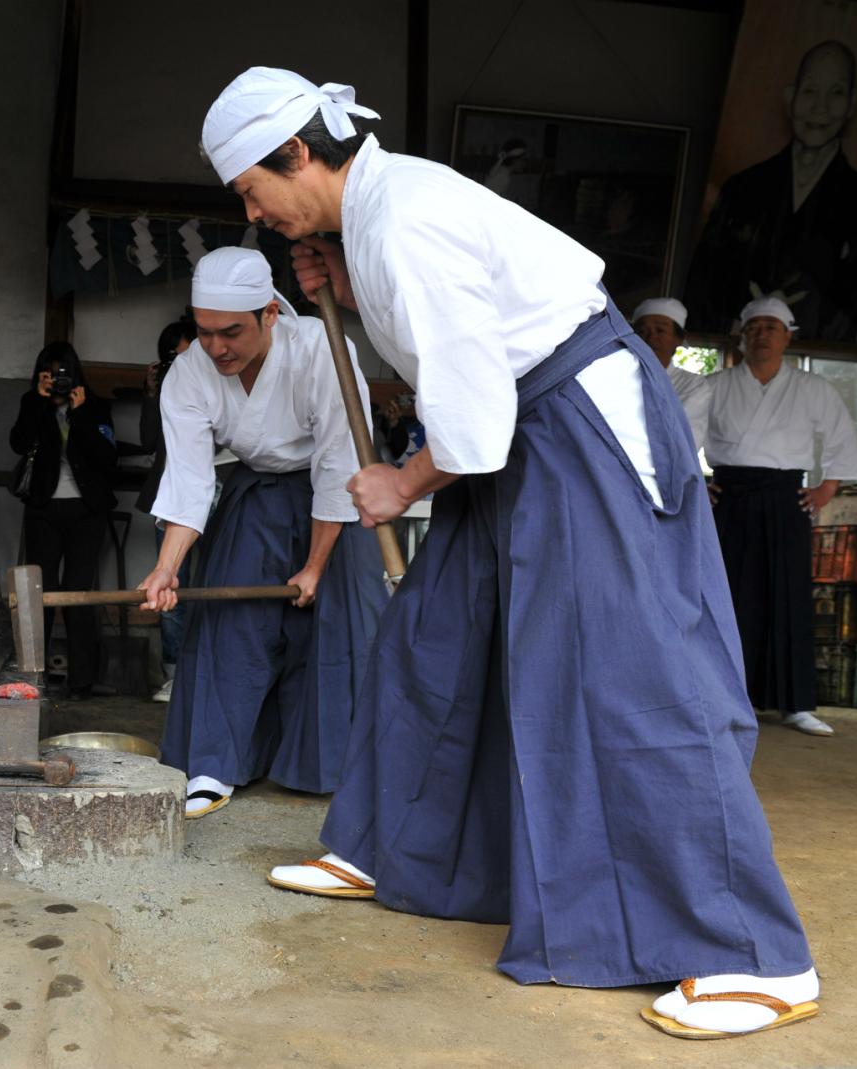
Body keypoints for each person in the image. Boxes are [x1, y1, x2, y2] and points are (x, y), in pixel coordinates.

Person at [201, 66, 820, 1038]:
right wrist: (340, 279)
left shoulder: (397, 215)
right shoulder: (369, 215)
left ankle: (753, 951)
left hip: (576, 423)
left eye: (252, 189)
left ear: (296, 155)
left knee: (628, 675)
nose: (252, 211)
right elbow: (453, 337)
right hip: (520, 424)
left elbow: (474, 421)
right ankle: (392, 845)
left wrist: (400, 484)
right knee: (435, 635)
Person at [136, 246, 389, 818]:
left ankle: (328, 767)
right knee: (233, 626)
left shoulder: (325, 352)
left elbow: (337, 464)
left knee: (335, 627)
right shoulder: (190, 370)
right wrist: (167, 567)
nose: (217, 348)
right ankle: (216, 762)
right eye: (204, 333)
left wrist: (316, 565)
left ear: (270, 313)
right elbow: (190, 479)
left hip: (337, 504)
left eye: (231, 332)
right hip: (259, 495)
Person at [707, 296, 857, 737]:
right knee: (727, 596)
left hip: (785, 499)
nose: (761, 334)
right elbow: (680, 436)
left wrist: (828, 486)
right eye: (754, 326)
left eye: (771, 327)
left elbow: (841, 438)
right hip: (730, 496)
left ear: (788, 337)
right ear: (742, 335)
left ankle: (794, 704)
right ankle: (722, 699)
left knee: (790, 594)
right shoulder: (716, 385)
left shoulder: (813, 388)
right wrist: (694, 482)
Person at [685, 40, 857, 341]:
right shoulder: (742, 188)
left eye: (837, 93)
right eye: (810, 91)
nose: (821, 107)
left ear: (853, 103)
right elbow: (705, 280)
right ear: (791, 97)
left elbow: (853, 301)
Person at [9, 341, 118, 699]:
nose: (57, 380)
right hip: (44, 509)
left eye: (62, 373)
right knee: (40, 592)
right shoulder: (33, 403)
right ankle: (33, 678)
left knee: (78, 594)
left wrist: (81, 414)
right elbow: (19, 443)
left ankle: (81, 682)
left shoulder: (95, 406)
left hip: (86, 511)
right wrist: (40, 401)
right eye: (50, 373)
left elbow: (106, 458)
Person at [137, 314, 199, 703]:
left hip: (221, 503)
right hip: (171, 500)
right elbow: (148, 441)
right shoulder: (167, 392)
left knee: (212, 590)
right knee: (170, 591)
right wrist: (152, 393)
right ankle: (175, 676)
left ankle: (205, 675)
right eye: (173, 360)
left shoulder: (223, 386)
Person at [631, 297, 712, 450]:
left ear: (679, 339)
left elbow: (686, 441)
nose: (650, 337)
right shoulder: (616, 377)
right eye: (642, 331)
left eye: (660, 330)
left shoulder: (693, 384)